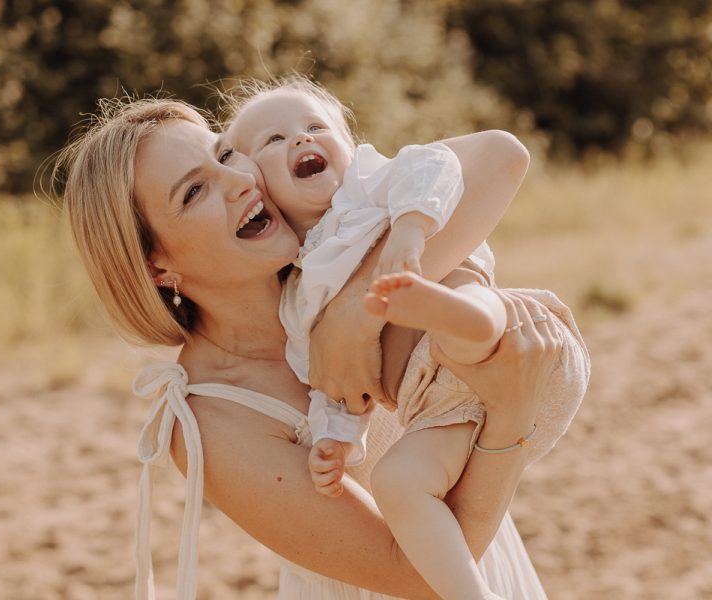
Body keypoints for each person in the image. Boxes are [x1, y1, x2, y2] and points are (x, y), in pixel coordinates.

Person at [56, 95, 562, 600]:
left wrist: (354, 315)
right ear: (155, 265)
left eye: (225, 154)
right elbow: (414, 577)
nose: (240, 182)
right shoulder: (211, 421)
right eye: (193, 191)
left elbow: (500, 155)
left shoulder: (341, 251)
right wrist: (510, 418)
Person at [224, 79, 590, 599]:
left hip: (515, 346)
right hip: (443, 411)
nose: (301, 141)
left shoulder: (368, 185)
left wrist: (410, 231)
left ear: (349, 149)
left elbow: (431, 167)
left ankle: (449, 312)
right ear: (257, 187)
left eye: (314, 127)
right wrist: (336, 439)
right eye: (274, 141)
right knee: (397, 483)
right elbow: (331, 376)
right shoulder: (296, 295)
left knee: (470, 304)